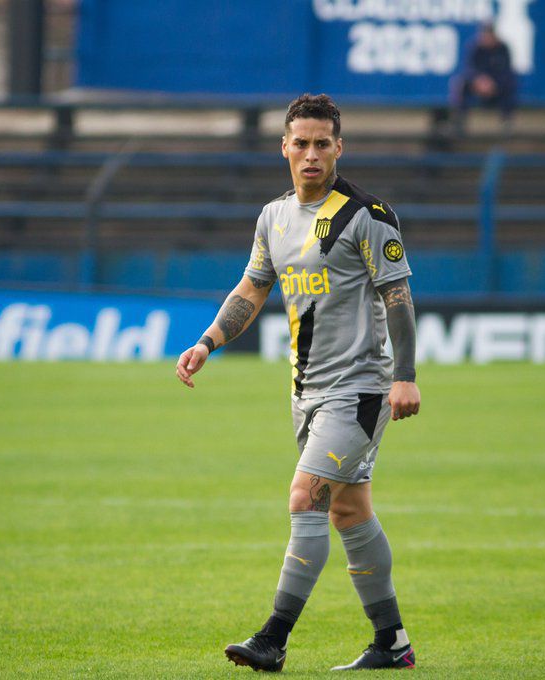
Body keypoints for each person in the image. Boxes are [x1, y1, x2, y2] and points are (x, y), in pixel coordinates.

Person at [175, 93, 421, 672]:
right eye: (301, 143)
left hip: (360, 388)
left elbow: (398, 298)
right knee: (350, 511)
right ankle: (392, 643)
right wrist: (207, 341)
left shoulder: (366, 214)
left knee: (304, 498)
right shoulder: (274, 216)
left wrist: (404, 377)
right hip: (304, 391)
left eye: (322, 144)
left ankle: (273, 638)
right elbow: (252, 288)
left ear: (339, 148)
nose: (311, 154)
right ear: (284, 146)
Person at [449, 23, 517, 133]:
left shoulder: (502, 48)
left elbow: (507, 71)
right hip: (478, 85)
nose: (486, 39)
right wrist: (479, 81)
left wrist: (492, 83)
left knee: (511, 84)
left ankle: (506, 122)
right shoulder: (475, 47)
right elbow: (469, 69)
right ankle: (459, 122)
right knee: (459, 84)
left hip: (496, 86)